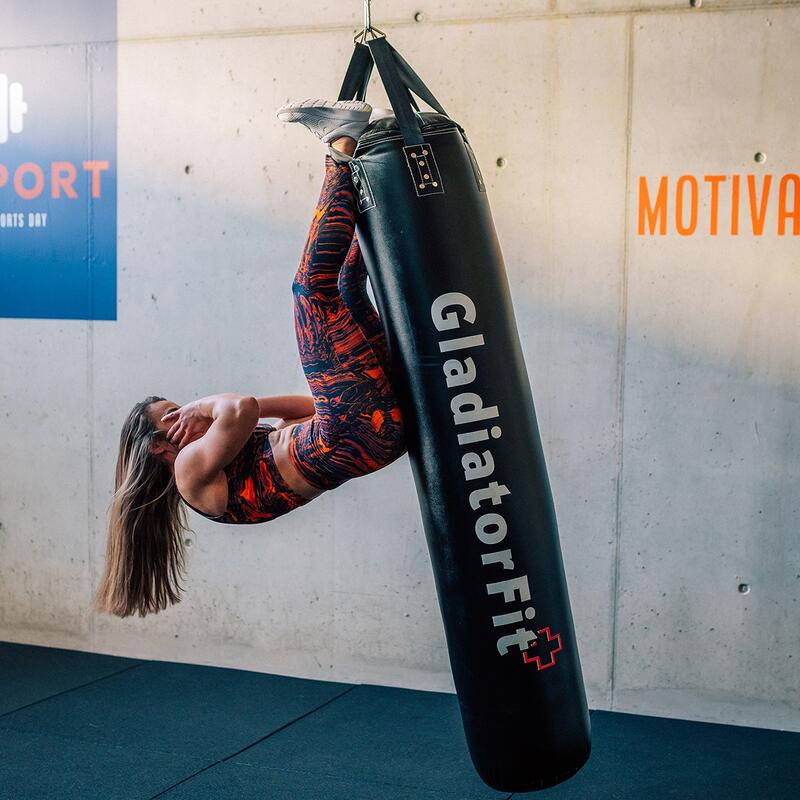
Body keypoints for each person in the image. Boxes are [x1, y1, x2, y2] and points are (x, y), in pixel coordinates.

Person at [94, 99, 406, 618]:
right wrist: (207, 405)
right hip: (358, 431)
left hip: (368, 431)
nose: (186, 416)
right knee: (310, 292)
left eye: (181, 407)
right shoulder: (191, 473)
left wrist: (258, 415)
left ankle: (368, 171)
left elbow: (306, 404)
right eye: (173, 417)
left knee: (348, 284)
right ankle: (340, 147)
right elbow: (238, 408)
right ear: (157, 449)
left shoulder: (236, 452)